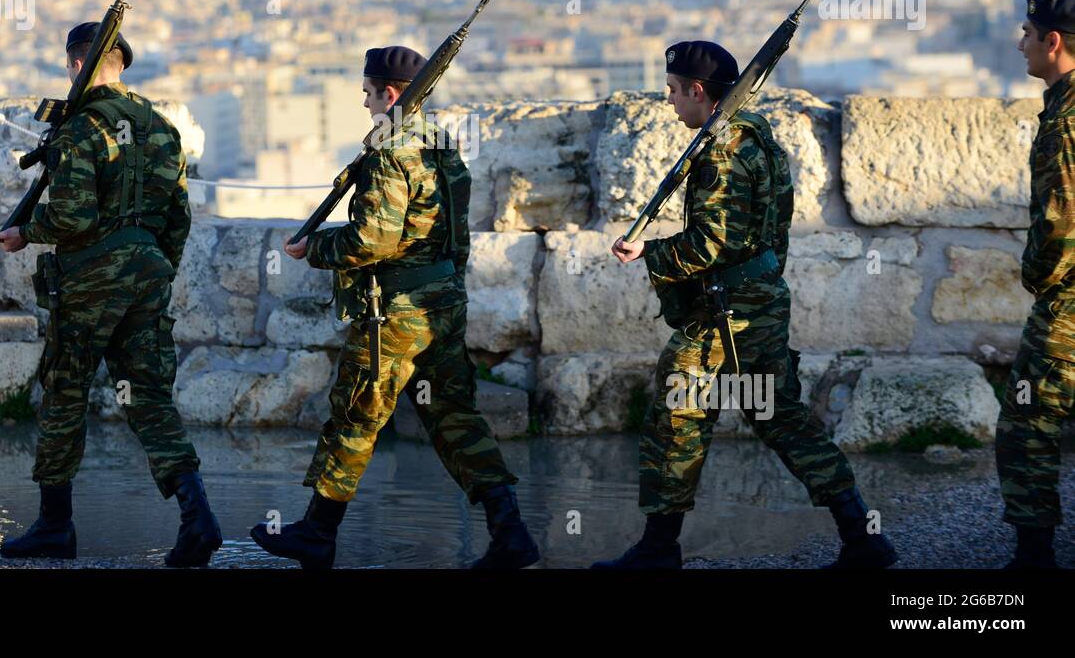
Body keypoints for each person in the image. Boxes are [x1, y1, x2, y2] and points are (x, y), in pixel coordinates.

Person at [593, 40, 896, 569]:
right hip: (756, 303)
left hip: (724, 314)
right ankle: (863, 538)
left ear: (697, 90)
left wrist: (649, 250)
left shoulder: (725, 150)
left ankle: (658, 549)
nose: (668, 102)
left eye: (672, 91)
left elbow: (716, 242)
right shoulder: (757, 138)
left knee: (677, 417)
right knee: (781, 418)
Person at [250, 45, 539, 569]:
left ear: (389, 93)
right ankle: (510, 530)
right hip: (442, 304)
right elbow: (454, 238)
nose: (364, 104)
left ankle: (317, 533)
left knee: (356, 416)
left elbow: (373, 241)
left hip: (397, 313)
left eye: (366, 92)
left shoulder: (389, 148)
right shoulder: (443, 146)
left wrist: (312, 249)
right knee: (456, 417)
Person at [0, 21, 219, 566]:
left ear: (77, 64)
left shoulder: (80, 129)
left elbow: (74, 214)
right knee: (148, 397)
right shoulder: (163, 128)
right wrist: (154, 267)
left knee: (65, 392)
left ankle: (54, 526)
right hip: (148, 273)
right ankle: (198, 515)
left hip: (93, 277)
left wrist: (28, 231)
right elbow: (178, 218)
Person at [996, 0, 1075, 569]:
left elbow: (1062, 220)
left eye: (1027, 32)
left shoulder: (1066, 120)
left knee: (1027, 422)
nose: (1020, 42)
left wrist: (1037, 277)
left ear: (1053, 42)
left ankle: (1034, 558)